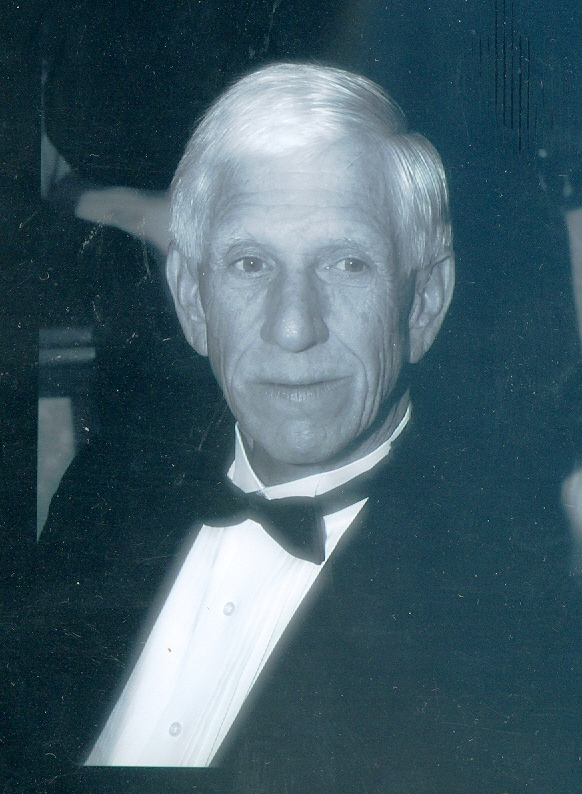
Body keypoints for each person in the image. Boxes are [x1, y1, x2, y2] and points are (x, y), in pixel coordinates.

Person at [24, 63, 581, 794]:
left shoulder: (511, 623)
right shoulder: (104, 494)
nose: (293, 328)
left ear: (424, 302)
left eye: (348, 263)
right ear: (192, 299)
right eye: (250, 263)